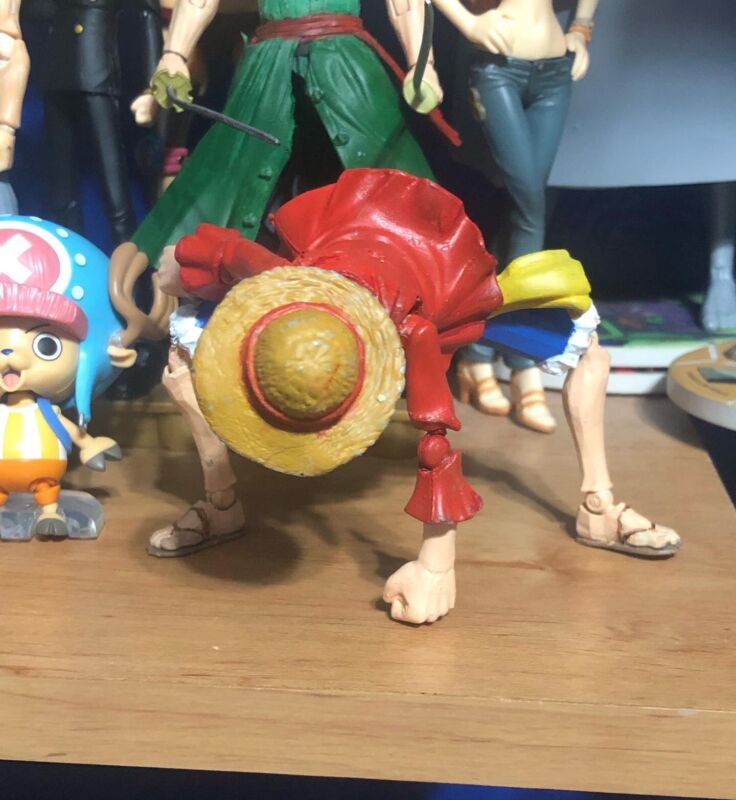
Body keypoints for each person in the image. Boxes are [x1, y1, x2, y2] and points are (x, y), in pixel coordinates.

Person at [147, 168, 681, 625]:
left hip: (439, 281)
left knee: (586, 346)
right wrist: (181, 263)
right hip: (338, 248)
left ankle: (598, 505)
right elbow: (226, 252)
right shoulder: (286, 280)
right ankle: (222, 504)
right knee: (182, 357)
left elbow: (436, 438)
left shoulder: (417, 334)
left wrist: (436, 566)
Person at [391, 0, 598, 434]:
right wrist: (468, 23)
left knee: (523, 209)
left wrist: (581, 27)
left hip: (556, 70)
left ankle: (480, 354)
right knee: (530, 207)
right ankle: (521, 362)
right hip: (498, 66)